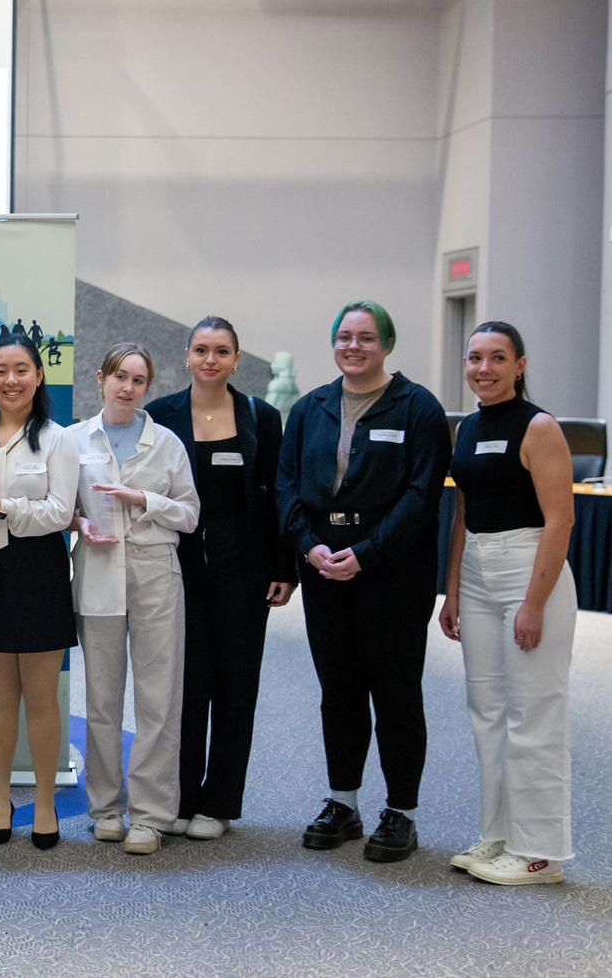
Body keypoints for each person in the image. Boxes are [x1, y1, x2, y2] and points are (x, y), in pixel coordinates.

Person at [277, 299, 450, 862]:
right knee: (340, 692)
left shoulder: (418, 408)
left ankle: (402, 811)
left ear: (387, 344)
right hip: (325, 567)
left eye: (367, 337)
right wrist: (309, 546)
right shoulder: (310, 408)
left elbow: (422, 497)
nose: (354, 346)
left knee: (395, 692)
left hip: (392, 574)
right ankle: (343, 802)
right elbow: (284, 485)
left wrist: (368, 553)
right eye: (345, 337)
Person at [438, 322, 577, 885]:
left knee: (534, 715)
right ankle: (499, 835)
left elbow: (561, 518)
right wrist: (452, 588)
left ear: (520, 364)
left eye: (498, 358)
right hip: (475, 571)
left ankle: (538, 853)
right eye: (475, 358)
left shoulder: (539, 426)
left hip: (528, 567)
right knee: (488, 714)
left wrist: (534, 603)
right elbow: (464, 514)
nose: (484, 368)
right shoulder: (467, 427)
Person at [145, 317, 294, 840]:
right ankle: (180, 796)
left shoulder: (262, 416)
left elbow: (279, 497)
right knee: (184, 684)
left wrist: (284, 568)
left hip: (243, 571)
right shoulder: (159, 415)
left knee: (235, 685)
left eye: (222, 351)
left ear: (236, 358)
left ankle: (220, 801)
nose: (211, 359)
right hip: (177, 570)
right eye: (202, 349)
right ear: (186, 355)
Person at [0, 336, 78, 850]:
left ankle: (44, 804)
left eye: (21, 369)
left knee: (42, 699)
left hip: (40, 573)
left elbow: (61, 513)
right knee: (0, 698)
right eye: (0, 370)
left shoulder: (56, 439)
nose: (11, 380)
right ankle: (0, 802)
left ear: (39, 376)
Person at [69, 343, 199, 854]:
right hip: (98, 569)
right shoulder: (74, 438)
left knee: (158, 700)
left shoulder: (166, 443)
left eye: (138, 380)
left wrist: (144, 498)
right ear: (100, 378)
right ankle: (105, 807)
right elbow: (62, 506)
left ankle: (150, 815)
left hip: (155, 574)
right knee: (101, 700)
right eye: (119, 376)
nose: (127, 387)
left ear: (148, 387)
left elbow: (189, 514)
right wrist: (79, 520)